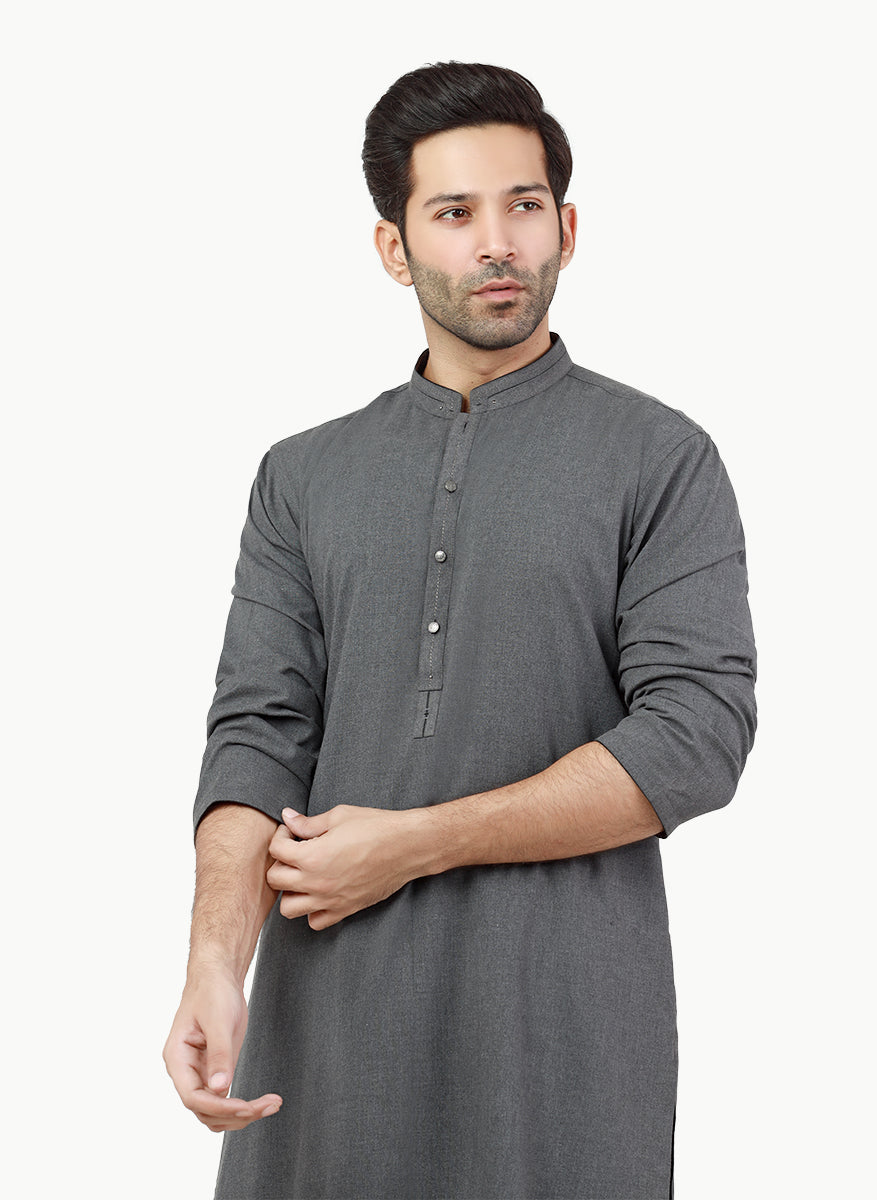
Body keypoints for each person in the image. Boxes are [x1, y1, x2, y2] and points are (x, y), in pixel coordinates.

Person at [164, 61, 756, 1200]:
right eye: (454, 213)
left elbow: (697, 737)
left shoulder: (660, 458)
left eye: (523, 205)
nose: (497, 243)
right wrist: (213, 964)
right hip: (326, 1030)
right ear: (394, 249)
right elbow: (256, 737)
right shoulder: (302, 475)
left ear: (566, 229)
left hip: (564, 1028)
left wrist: (418, 840)